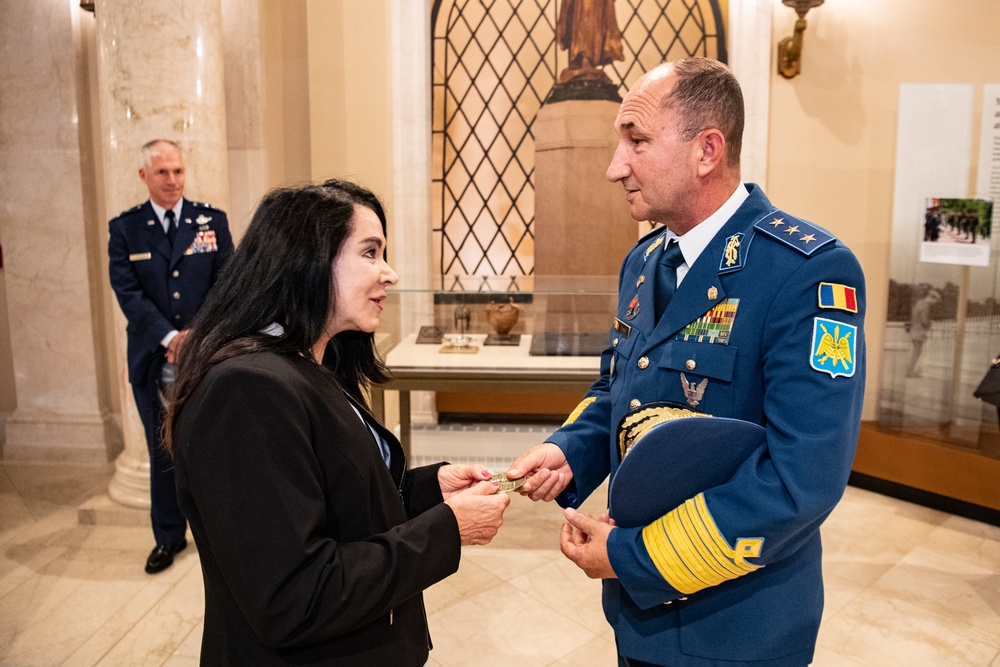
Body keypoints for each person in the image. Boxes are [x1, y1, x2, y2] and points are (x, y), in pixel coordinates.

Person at [507, 58, 866, 667]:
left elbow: (801, 481)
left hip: (735, 626)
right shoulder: (645, 261)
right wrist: (572, 449)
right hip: (641, 620)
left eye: (637, 141)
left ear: (707, 150)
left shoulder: (806, 270)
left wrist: (629, 558)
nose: (614, 166)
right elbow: (620, 385)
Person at [164, 180, 511, 665]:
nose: (389, 273)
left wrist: (434, 490)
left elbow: (339, 505)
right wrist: (448, 530)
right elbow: (294, 597)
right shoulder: (246, 391)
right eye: (370, 253)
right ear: (306, 259)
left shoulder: (310, 364)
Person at [107, 139, 235, 574]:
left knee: (214, 445)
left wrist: (196, 335)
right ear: (144, 176)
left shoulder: (210, 221)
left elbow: (226, 284)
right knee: (162, 451)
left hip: (206, 355)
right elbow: (129, 294)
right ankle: (168, 537)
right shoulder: (125, 229)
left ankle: (221, 533)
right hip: (150, 359)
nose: (173, 181)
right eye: (163, 173)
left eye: (178, 171)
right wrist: (168, 337)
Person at [906, 288, 941, 378]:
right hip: (919, 332)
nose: (934, 303)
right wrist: (930, 324)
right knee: (917, 352)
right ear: (931, 298)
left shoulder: (919, 303)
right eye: (935, 301)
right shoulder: (926, 306)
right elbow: (924, 321)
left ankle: (910, 371)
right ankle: (910, 373)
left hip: (914, 330)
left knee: (915, 352)